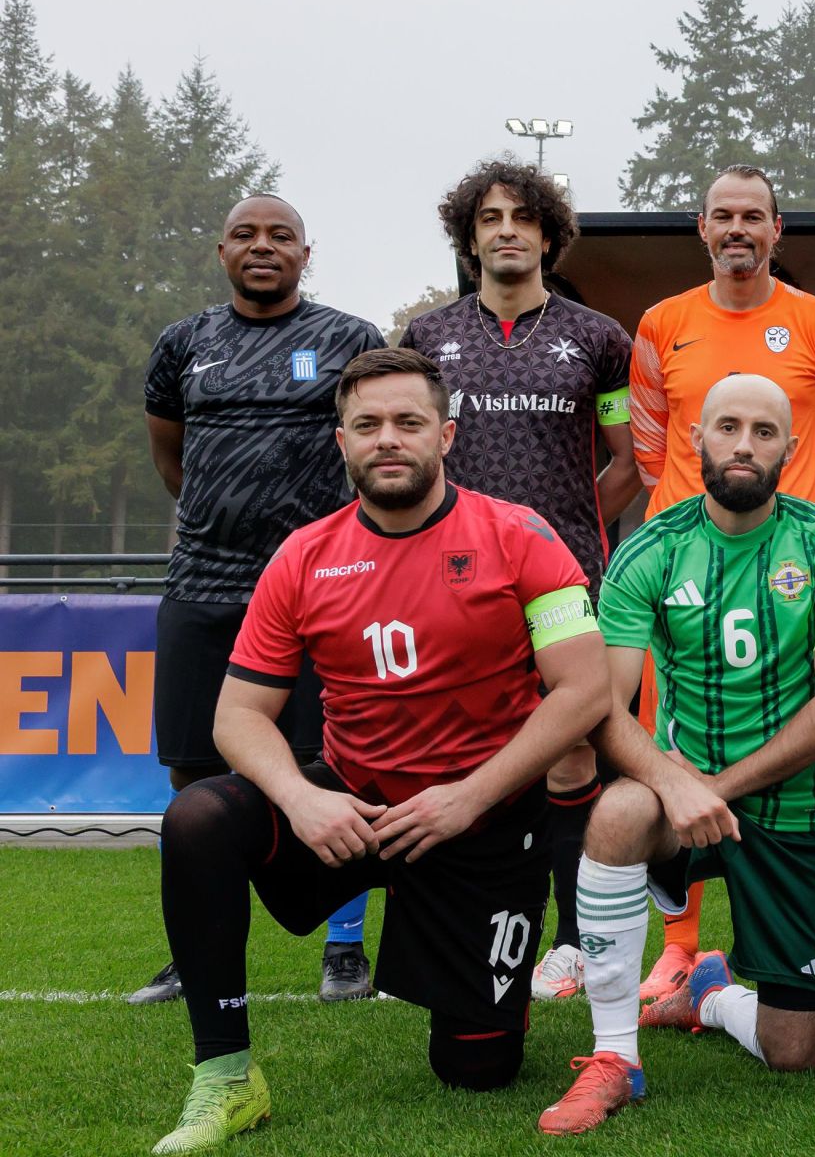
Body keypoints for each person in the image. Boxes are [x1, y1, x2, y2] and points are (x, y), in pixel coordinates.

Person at [148, 348, 609, 1153]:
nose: (386, 439)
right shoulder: (304, 555)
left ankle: (482, 984)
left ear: (446, 435)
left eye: (407, 422)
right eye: (366, 425)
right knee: (197, 818)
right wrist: (303, 798)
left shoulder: (519, 534)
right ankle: (226, 1076)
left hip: (481, 816)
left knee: (476, 1070)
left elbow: (584, 690)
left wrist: (469, 796)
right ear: (343, 443)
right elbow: (238, 718)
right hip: (354, 806)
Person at [536, 374, 815, 1134]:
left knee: (798, 1055)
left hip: (792, 804)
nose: (743, 445)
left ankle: (711, 995)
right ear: (697, 439)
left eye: (764, 432)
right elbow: (602, 703)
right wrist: (673, 782)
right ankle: (614, 1058)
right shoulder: (649, 550)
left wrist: (716, 787)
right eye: (727, 427)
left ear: (791, 448)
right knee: (619, 813)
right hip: (678, 795)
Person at [137, 193, 384, 1008]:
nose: (263, 246)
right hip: (203, 584)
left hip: (324, 588)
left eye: (281, 235)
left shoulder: (350, 339)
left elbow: (378, 437)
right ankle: (196, 952)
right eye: (245, 234)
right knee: (193, 770)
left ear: (306, 254)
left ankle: (344, 951)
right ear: (222, 253)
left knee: (333, 763)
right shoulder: (183, 344)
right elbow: (171, 459)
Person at [403, 159, 641, 1001]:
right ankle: (460, 934)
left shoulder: (600, 339)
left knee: (571, 755)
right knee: (457, 751)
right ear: (469, 238)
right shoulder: (426, 339)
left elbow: (627, 463)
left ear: (548, 235)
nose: (507, 230)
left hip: (564, 580)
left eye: (523, 217)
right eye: (490, 218)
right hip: (450, 580)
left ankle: (572, 941)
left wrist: (552, 535)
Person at [625, 163, 815, 999]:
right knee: (668, 740)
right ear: (702, 227)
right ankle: (679, 943)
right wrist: (701, 530)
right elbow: (652, 445)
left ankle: (782, 929)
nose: (737, 229)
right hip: (687, 567)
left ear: (775, 229)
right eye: (722, 215)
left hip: (789, 565)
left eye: (753, 216)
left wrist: (796, 530)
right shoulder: (660, 324)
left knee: (799, 741)